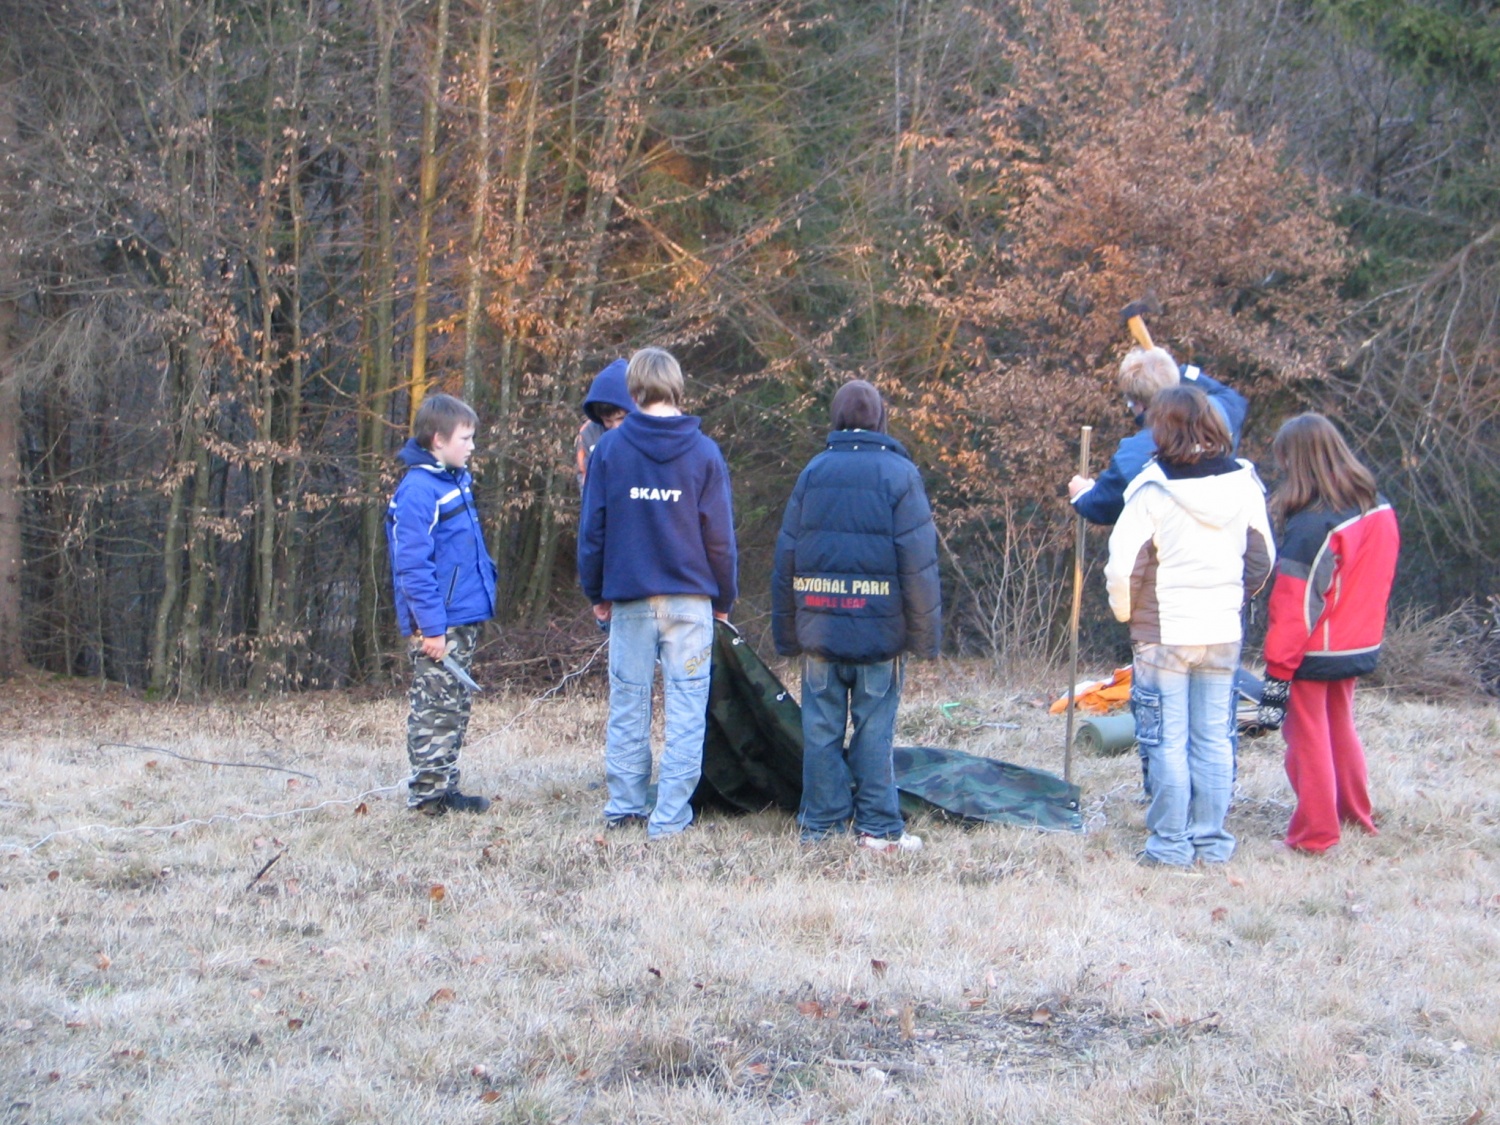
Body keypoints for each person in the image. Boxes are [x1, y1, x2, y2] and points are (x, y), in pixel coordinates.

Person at [1105, 385, 1274, 867]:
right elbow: (1262, 556)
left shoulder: (1151, 486)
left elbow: (1123, 568)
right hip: (1222, 630)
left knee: (1166, 741)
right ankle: (1211, 841)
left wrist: (1127, 615)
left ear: (1162, 427)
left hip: (1164, 636)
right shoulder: (1245, 482)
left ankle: (1169, 845)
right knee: (1215, 739)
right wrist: (1234, 599)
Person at [771, 380, 941, 853]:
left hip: (819, 631)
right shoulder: (900, 475)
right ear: (882, 418)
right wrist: (925, 638)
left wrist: (787, 633)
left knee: (820, 731)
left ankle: (821, 828)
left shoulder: (813, 473)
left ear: (836, 418)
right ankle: (880, 830)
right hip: (880, 635)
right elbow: (919, 565)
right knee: (874, 730)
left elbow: (787, 558)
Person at [577, 347, 738, 839]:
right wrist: (724, 599)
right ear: (676, 386)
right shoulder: (705, 452)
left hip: (629, 600)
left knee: (629, 703)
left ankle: (625, 806)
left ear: (636, 390)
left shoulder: (610, 449)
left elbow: (593, 529)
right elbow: (720, 538)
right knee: (687, 708)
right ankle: (669, 817)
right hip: (690, 603)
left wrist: (596, 590)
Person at [1262, 414, 1399, 854]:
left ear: (1296, 462)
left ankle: (1315, 834)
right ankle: (1355, 815)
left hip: (1313, 648)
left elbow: (1294, 605)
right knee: (1340, 727)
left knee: (1307, 739)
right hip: (1359, 640)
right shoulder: (1378, 507)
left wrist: (1278, 670)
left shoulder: (1311, 527)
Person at [385, 393, 498, 815]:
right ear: (438, 440)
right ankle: (428, 798)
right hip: (439, 623)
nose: (471, 446)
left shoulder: (454, 480)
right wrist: (431, 628)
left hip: (463, 614)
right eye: (465, 438)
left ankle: (446, 786)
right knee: (434, 709)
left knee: (455, 706)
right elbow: (412, 567)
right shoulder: (417, 491)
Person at [1069, 346, 1248, 526]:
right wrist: (1179, 373)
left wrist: (1081, 495)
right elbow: (1228, 395)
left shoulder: (1136, 454)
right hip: (1227, 537)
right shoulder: (1222, 412)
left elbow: (1101, 506)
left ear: (1136, 403)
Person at [574, 358, 634, 491]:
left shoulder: (648, 431)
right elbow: (586, 481)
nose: (616, 426)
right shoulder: (589, 433)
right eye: (608, 420)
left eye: (621, 418)